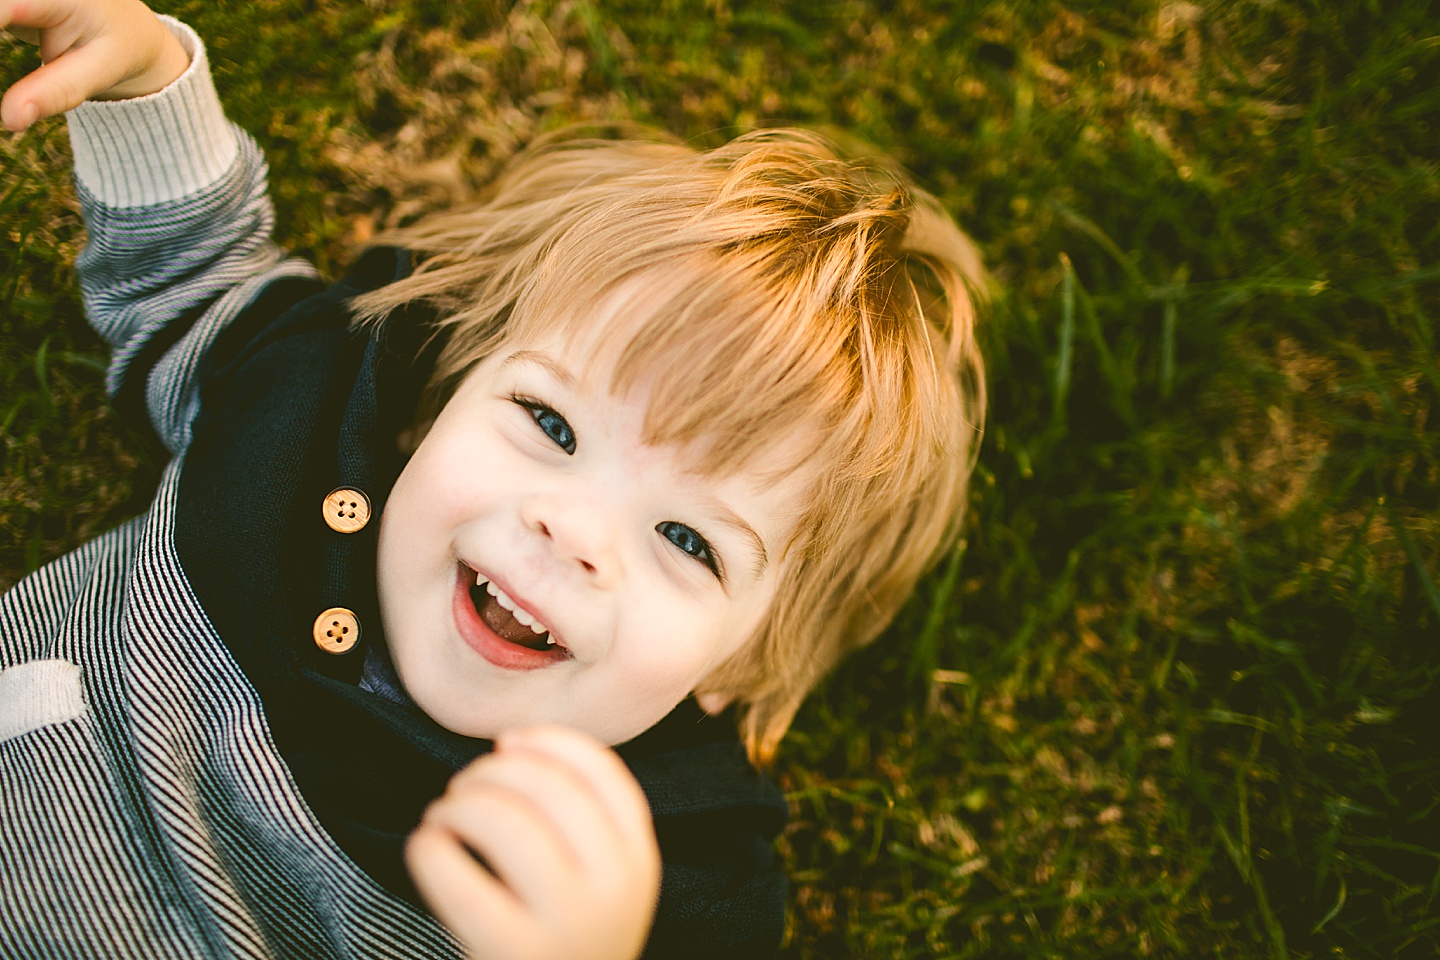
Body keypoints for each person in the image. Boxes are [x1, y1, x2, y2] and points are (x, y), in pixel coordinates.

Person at [0, 0, 986, 957]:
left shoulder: (672, 887)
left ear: (741, 666)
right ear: (438, 404)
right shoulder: (306, 408)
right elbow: (199, 276)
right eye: (550, 424)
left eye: (689, 541)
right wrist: (145, 83)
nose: (575, 531)